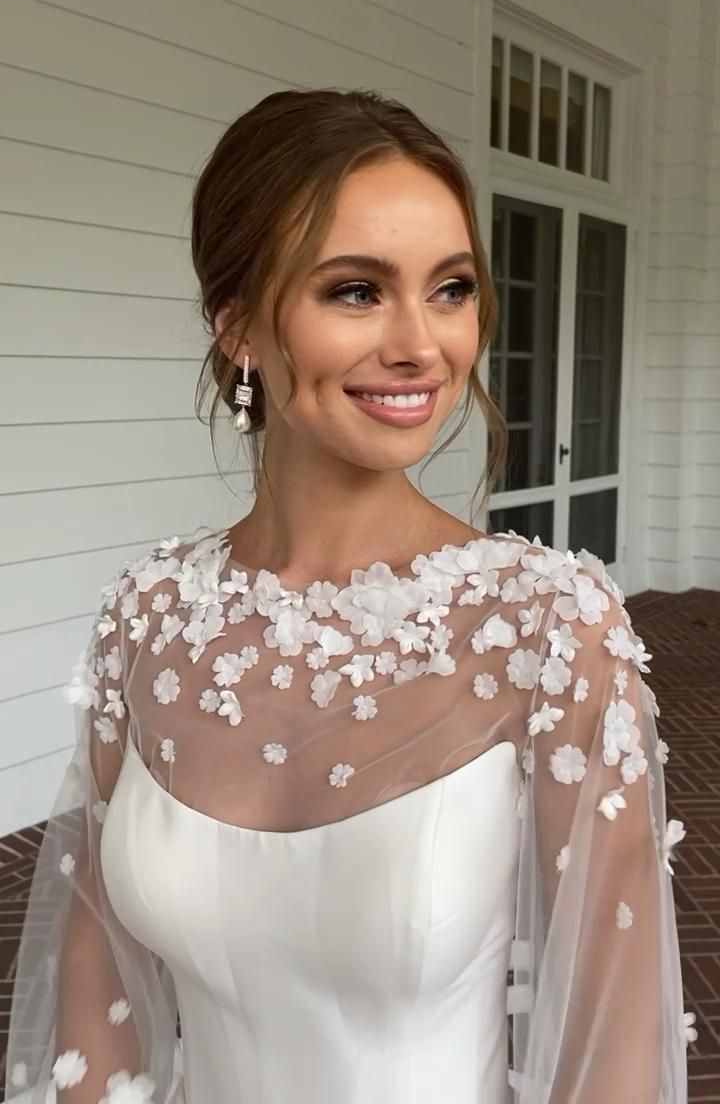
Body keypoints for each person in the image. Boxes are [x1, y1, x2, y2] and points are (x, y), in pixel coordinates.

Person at [5, 89, 690, 1103]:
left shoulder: (553, 629)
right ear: (237, 324)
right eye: (358, 291)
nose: (422, 343)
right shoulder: (147, 618)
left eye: (450, 288)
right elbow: (97, 979)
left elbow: (614, 1051)